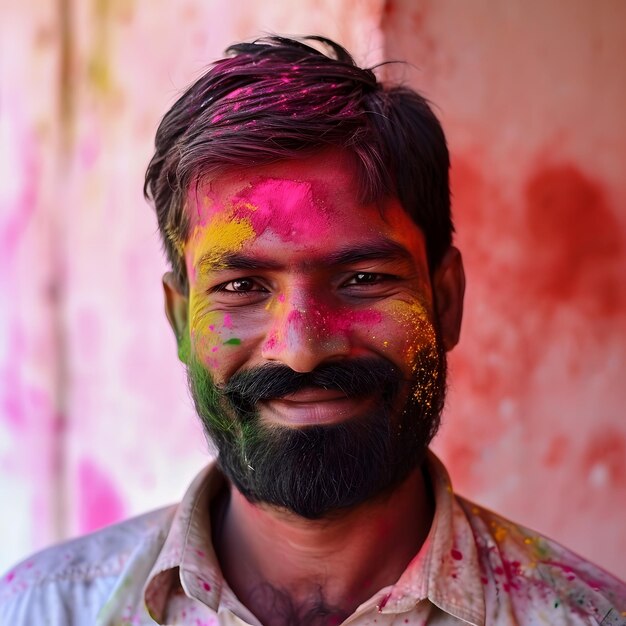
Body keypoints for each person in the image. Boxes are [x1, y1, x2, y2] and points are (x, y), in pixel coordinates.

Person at [1, 35, 625, 626]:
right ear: (179, 321)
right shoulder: (39, 611)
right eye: (242, 288)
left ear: (447, 300)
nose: (300, 352)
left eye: (362, 278)